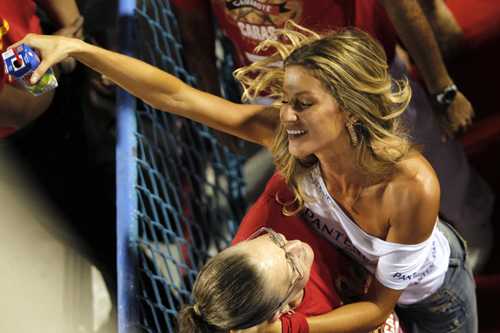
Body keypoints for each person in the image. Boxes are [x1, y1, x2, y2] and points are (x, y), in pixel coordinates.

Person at [15, 21, 477, 332]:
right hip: (358, 279)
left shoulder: (411, 186)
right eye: (286, 99)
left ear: (350, 111)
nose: (285, 115)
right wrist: (78, 48)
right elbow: (175, 96)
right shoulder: (287, 137)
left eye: (303, 103)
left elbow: (380, 307)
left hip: (435, 294)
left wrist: (285, 328)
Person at [171, 0, 495, 272]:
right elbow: (192, 25)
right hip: (271, 88)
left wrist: (443, 89)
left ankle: (472, 216)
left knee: (411, 145)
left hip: (359, 79)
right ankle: (380, 251)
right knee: (327, 180)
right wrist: (214, 103)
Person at [0, 0, 118, 322]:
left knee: (106, 200)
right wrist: (62, 63)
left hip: (48, 56)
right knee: (91, 227)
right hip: (22, 135)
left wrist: (77, 37)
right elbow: (19, 109)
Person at [177, 171, 405, 333]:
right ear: (280, 311)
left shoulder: (274, 209)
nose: (296, 245)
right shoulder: (285, 321)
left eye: (275, 239)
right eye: (292, 265)